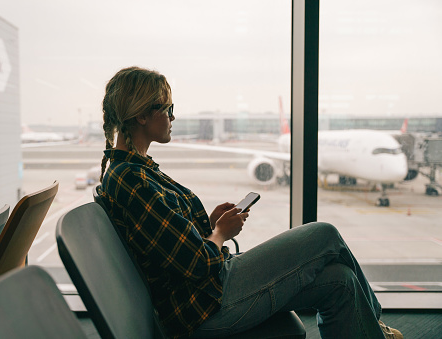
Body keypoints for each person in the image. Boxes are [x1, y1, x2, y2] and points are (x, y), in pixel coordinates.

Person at [96, 66, 403, 339]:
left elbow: (170, 246)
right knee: (325, 234)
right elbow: (196, 263)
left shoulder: (134, 171)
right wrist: (220, 233)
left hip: (207, 293)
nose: (173, 117)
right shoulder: (132, 179)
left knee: (341, 280)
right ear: (142, 115)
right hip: (205, 307)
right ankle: (376, 327)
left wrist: (209, 222)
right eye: (167, 108)